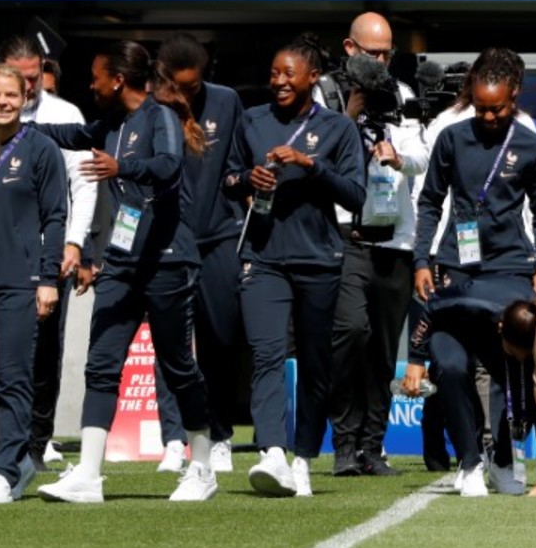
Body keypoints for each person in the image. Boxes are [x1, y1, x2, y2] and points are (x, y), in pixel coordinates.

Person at [35, 41, 217, 503]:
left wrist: (123, 167)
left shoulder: (161, 117)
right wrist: (21, 125)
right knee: (101, 363)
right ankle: (88, 475)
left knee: (178, 366)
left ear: (118, 80)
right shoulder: (112, 123)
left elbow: (168, 166)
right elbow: (76, 135)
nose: (90, 84)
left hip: (167, 261)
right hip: (120, 261)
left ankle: (201, 467)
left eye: (96, 76)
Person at [408, 47, 536, 497]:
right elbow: (430, 201)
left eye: (498, 108)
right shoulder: (451, 138)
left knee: (514, 367)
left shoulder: (531, 146)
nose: (489, 117)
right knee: (450, 365)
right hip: (455, 266)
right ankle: (470, 461)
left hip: (511, 269)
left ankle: (507, 458)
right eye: (480, 108)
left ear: (514, 97)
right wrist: (421, 260)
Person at [223, 34, 366, 498]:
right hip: (262, 257)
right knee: (265, 354)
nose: (279, 81)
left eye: (289, 74)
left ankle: (303, 457)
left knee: (315, 362)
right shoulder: (251, 120)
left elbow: (355, 195)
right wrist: (247, 178)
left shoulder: (338, 128)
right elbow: (227, 177)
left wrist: (311, 165)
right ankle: (272, 452)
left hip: (318, 259)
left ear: (312, 77)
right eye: (274, 73)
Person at [328, 12, 429, 478]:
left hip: (396, 238)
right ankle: (343, 441)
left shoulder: (403, 95)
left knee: (384, 350)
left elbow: (423, 156)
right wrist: (349, 114)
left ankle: (371, 446)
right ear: (350, 49)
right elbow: (316, 152)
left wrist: (398, 156)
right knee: (350, 334)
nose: (382, 62)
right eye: (373, 54)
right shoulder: (327, 94)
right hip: (347, 235)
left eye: (388, 53)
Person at [0, 64, 67, 502]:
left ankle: (5, 470)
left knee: (13, 374)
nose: (2, 102)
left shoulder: (42, 149)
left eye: (10, 95)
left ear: (25, 98)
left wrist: (48, 279)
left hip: (20, 281)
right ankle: (17, 455)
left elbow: (55, 217)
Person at [0, 37, 98, 473]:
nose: (28, 85)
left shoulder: (65, 114)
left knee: (43, 352)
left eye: (34, 76)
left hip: (50, 252)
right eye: (19, 77)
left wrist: (75, 243)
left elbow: (85, 183)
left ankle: (38, 442)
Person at [150, 34, 245, 474]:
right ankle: (174, 438)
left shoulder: (226, 101)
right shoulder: (151, 108)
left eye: (194, 86)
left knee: (219, 340)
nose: (187, 94)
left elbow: (237, 163)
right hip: (167, 240)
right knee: (170, 342)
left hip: (219, 237)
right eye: (179, 86)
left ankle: (220, 435)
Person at [402, 286, 536, 499]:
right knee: (451, 370)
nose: (520, 359)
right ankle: (470, 462)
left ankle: (502, 462)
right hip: (456, 328)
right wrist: (416, 359)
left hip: (499, 332)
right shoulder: (472, 303)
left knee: (527, 391)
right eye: (515, 353)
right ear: (501, 329)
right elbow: (432, 305)